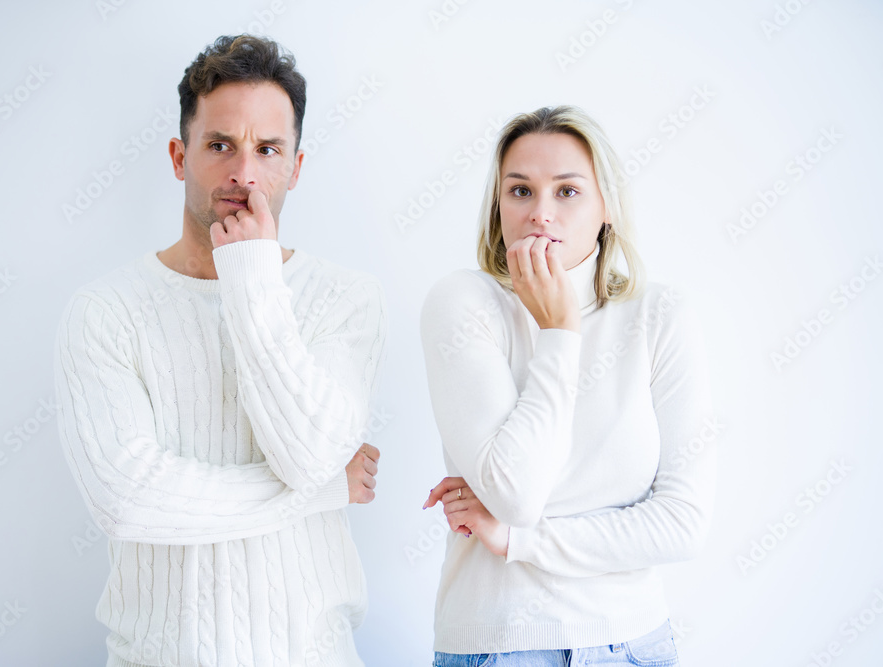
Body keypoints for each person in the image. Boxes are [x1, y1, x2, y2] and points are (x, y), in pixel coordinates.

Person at [53, 34, 387, 667]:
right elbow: (128, 500)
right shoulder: (104, 311)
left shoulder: (348, 299)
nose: (244, 173)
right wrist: (318, 492)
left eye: (268, 149)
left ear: (296, 165)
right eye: (219, 146)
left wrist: (253, 274)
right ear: (180, 156)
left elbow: (311, 452)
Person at [420, 105, 717, 666]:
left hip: (632, 644)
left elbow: (682, 524)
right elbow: (516, 494)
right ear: (497, 206)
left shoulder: (660, 315)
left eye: (568, 192)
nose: (541, 214)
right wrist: (559, 333)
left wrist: (518, 541)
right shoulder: (462, 304)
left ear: (606, 207)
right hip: (499, 645)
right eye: (520, 191)